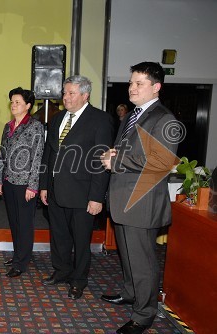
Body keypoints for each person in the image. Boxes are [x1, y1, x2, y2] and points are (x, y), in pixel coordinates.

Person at [100, 62, 179, 334]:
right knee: (128, 256)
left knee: (143, 262)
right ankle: (131, 293)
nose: (132, 88)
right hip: (123, 201)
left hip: (141, 204)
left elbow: (160, 161)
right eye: (131, 83)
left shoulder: (163, 119)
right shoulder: (132, 116)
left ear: (156, 87)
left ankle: (144, 315)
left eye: (139, 84)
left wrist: (116, 159)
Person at [39, 75, 114, 299]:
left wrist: (96, 197)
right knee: (59, 235)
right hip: (55, 190)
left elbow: (101, 161)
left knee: (81, 240)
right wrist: (44, 185)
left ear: (85, 95)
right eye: (64, 93)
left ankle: (79, 280)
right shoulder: (57, 118)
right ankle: (61, 271)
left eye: (71, 93)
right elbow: (48, 154)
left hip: (83, 194)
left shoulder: (100, 120)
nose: (66, 97)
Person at [0, 87, 44, 278]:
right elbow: (2, 154)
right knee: (14, 223)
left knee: (24, 224)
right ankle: (18, 255)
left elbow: (37, 157)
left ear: (28, 106)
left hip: (25, 184)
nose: (13, 105)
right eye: (12, 102)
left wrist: (33, 185)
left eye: (18, 102)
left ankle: (21, 263)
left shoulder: (35, 126)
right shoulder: (8, 126)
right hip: (8, 181)